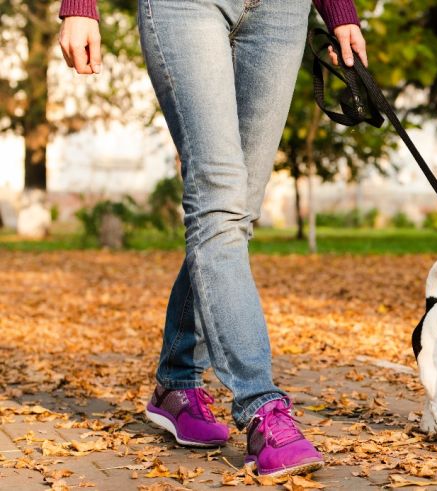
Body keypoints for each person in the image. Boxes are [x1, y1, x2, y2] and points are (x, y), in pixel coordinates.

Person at [57, 0, 368, 477]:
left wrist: (339, 11)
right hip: (185, 6)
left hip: (281, 13)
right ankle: (261, 407)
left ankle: (176, 381)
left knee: (237, 214)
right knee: (219, 204)